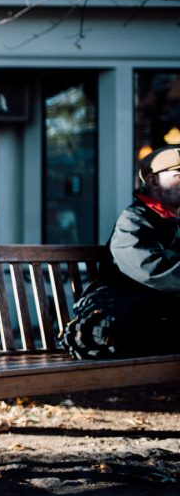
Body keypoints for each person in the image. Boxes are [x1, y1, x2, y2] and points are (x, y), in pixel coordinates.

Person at [60, 146, 180, 359]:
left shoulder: (171, 222)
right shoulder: (133, 220)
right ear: (153, 181)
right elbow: (152, 268)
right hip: (134, 316)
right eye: (178, 175)